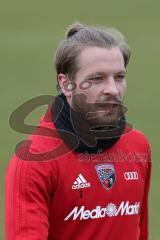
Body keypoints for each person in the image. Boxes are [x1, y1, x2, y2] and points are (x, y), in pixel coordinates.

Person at [5, 22, 151, 240]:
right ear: (66, 84)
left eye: (119, 77)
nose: (112, 89)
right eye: (96, 78)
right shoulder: (35, 161)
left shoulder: (138, 146)